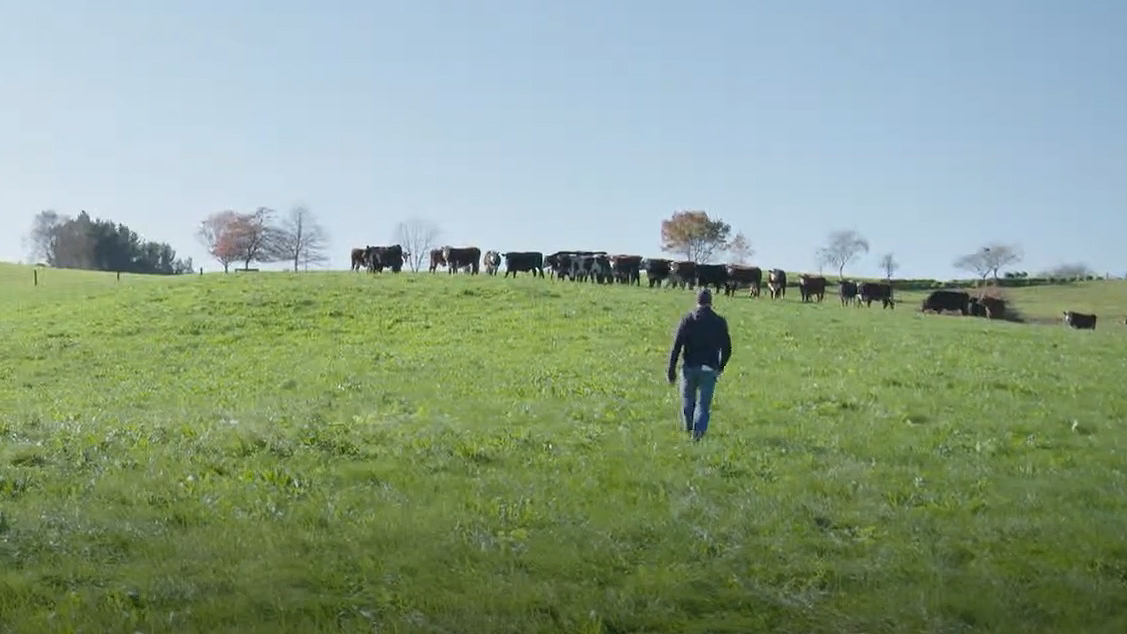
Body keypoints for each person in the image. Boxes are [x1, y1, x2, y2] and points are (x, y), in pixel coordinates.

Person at [667, 288, 732, 441]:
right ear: (711, 302)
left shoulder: (688, 319)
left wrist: (671, 369)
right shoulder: (719, 322)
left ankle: (689, 428)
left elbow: (677, 345)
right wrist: (720, 366)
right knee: (703, 405)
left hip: (689, 366)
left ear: (697, 301)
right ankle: (698, 435)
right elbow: (727, 349)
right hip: (709, 368)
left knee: (688, 402)